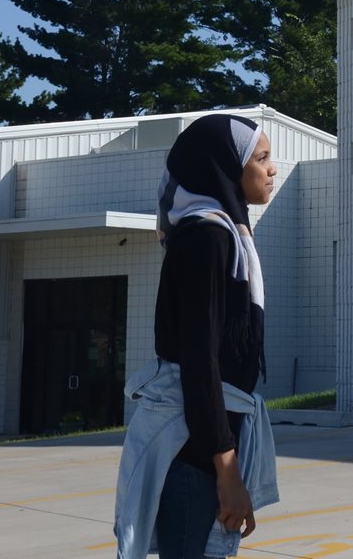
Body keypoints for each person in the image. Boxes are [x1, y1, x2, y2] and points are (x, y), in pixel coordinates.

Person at [114, 113, 280, 559]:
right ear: (223, 167)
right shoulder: (207, 237)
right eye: (261, 158)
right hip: (193, 454)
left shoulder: (221, 234)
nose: (272, 169)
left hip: (204, 444)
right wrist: (227, 472)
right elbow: (199, 361)